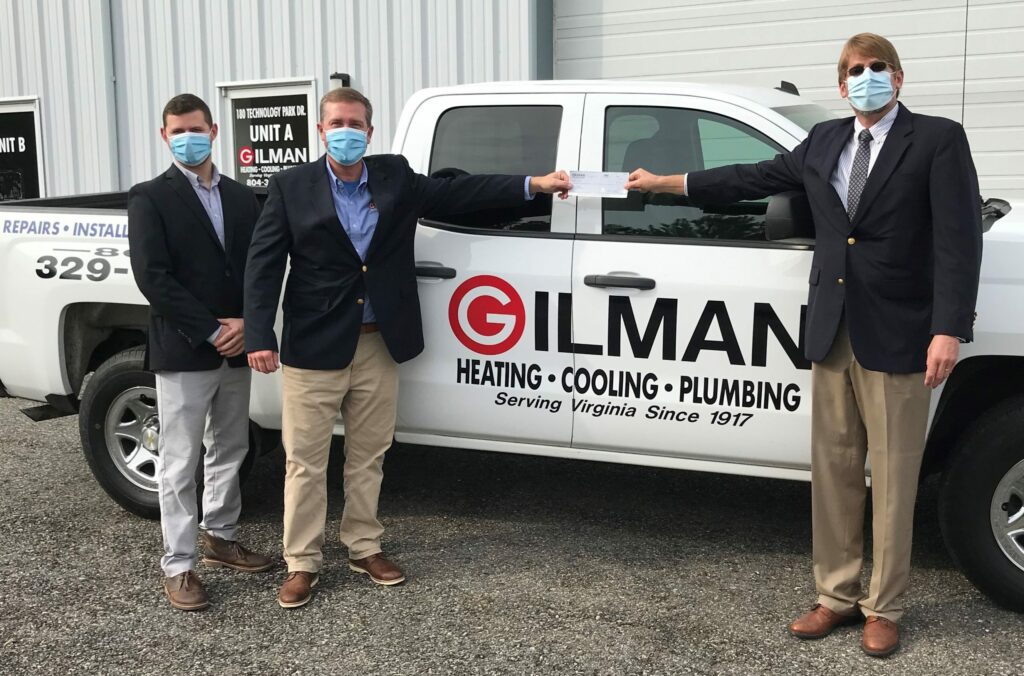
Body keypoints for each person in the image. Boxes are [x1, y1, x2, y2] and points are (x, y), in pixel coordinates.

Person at [624, 33, 982, 657]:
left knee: (894, 476)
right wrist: (668, 182)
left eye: (877, 68)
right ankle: (837, 596)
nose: (866, 78)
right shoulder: (824, 140)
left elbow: (958, 238)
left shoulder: (936, 139)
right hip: (832, 328)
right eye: (854, 71)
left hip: (900, 330)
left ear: (898, 77)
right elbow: (750, 176)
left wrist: (948, 327)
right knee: (835, 470)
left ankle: (885, 606)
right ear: (841, 86)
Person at [244, 87, 572, 609]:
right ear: (321, 130)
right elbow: (263, 265)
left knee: (368, 455)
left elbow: (459, 195)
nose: (346, 132)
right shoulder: (290, 186)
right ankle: (302, 563)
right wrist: (260, 334)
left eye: (356, 123)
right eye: (337, 123)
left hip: (379, 342)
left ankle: (363, 546)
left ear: (369, 133)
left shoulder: (394, 175)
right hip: (314, 345)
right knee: (304, 462)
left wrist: (533, 183)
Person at [128, 93, 271, 611]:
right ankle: (180, 564)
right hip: (187, 348)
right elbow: (154, 278)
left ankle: (221, 538)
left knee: (230, 448)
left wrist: (249, 324)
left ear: (214, 131)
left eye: (197, 128)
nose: (188, 137)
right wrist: (212, 329)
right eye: (177, 130)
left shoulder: (239, 196)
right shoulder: (150, 197)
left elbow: (257, 267)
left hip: (236, 347)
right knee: (180, 459)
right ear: (165, 136)